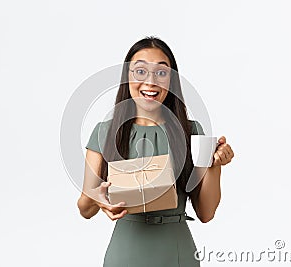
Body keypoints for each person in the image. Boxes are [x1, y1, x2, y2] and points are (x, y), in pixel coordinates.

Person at [77, 36, 234, 267]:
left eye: (161, 73)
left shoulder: (191, 132)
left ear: (172, 81)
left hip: (177, 253)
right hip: (126, 254)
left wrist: (215, 165)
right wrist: (96, 199)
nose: (150, 81)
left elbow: (206, 212)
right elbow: (85, 209)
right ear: (127, 77)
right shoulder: (105, 133)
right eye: (140, 71)